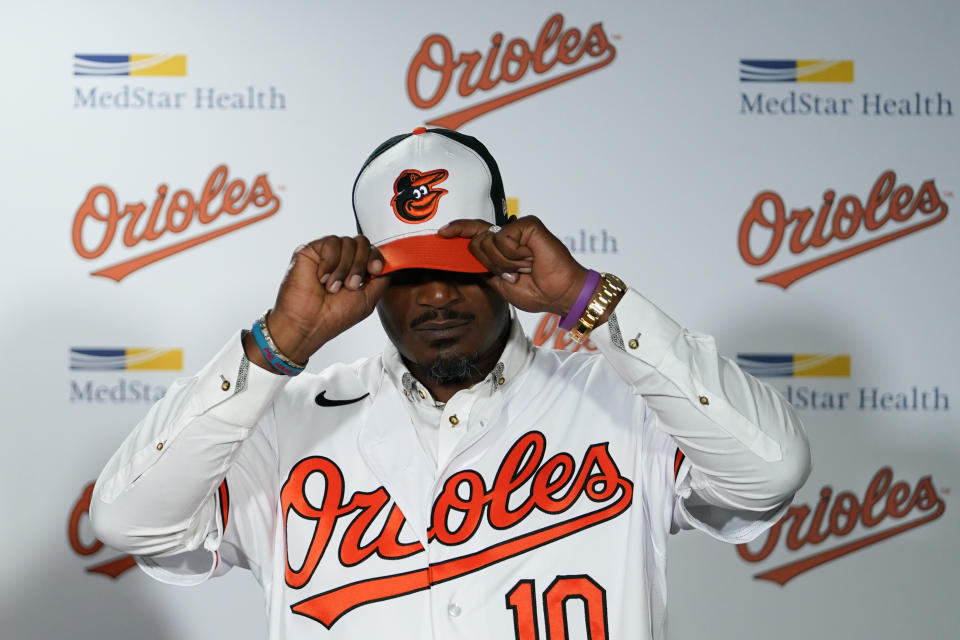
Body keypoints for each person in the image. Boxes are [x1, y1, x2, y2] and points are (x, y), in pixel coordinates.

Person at [91, 127, 811, 640]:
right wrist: (278, 347)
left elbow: (770, 470)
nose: (437, 297)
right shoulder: (288, 424)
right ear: (368, 280)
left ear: (510, 256)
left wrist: (588, 299)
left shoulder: (621, 398)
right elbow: (129, 521)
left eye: (461, 263)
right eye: (408, 273)